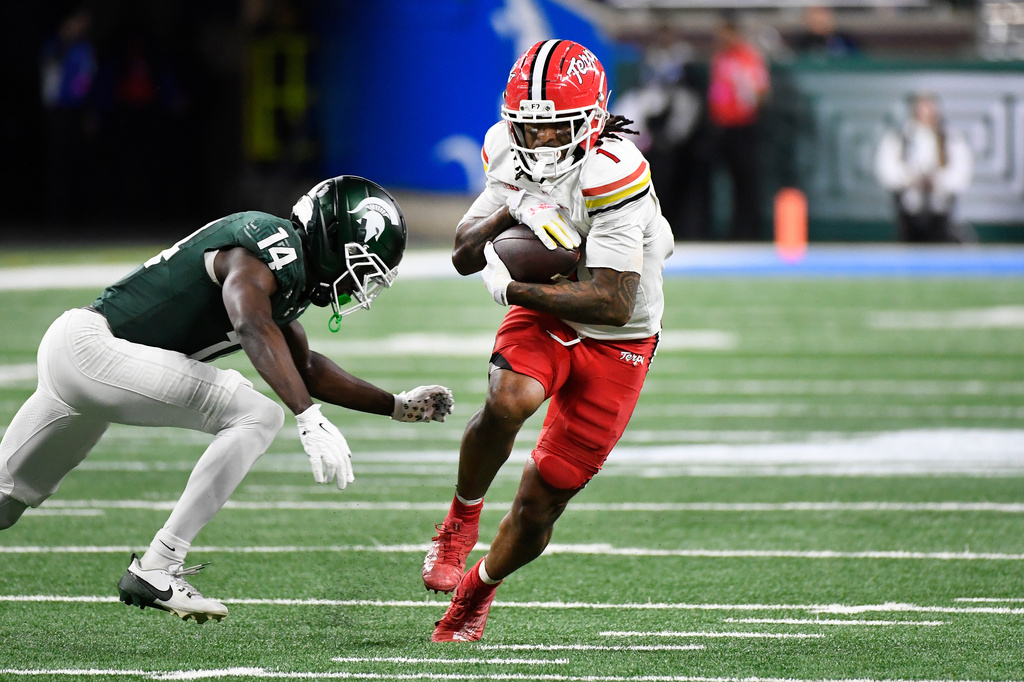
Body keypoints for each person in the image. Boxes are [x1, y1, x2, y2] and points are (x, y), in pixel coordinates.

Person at [0, 175, 454, 623]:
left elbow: (306, 367)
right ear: (333, 240)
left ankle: (158, 565)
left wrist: (397, 406)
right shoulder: (269, 245)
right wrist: (305, 415)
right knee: (257, 414)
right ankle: (160, 564)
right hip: (92, 351)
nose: (358, 285)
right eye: (361, 265)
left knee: (5, 504)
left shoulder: (285, 281)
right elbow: (251, 324)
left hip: (82, 357)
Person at [421, 39, 674, 642]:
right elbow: (462, 254)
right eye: (526, 130)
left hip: (621, 333)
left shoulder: (615, 171)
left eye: (552, 129)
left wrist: (513, 291)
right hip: (553, 307)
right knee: (508, 399)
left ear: (590, 122)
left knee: (542, 502)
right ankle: (461, 519)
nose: (536, 145)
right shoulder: (506, 150)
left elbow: (613, 303)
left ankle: (477, 591)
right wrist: (512, 211)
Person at [874, 92, 975, 243]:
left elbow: (962, 175)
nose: (926, 114)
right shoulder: (899, 138)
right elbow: (887, 171)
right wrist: (911, 179)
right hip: (908, 215)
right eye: (921, 110)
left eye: (930, 109)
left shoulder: (951, 138)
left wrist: (937, 180)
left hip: (942, 215)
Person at [707, 13, 771, 241]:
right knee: (727, 181)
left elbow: (760, 92)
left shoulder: (747, 58)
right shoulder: (721, 57)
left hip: (743, 126)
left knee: (747, 181)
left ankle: (748, 230)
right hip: (723, 127)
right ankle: (731, 229)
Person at [790, 5, 860, 59]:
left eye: (822, 12)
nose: (818, 19)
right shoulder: (802, 43)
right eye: (814, 14)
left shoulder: (846, 39)